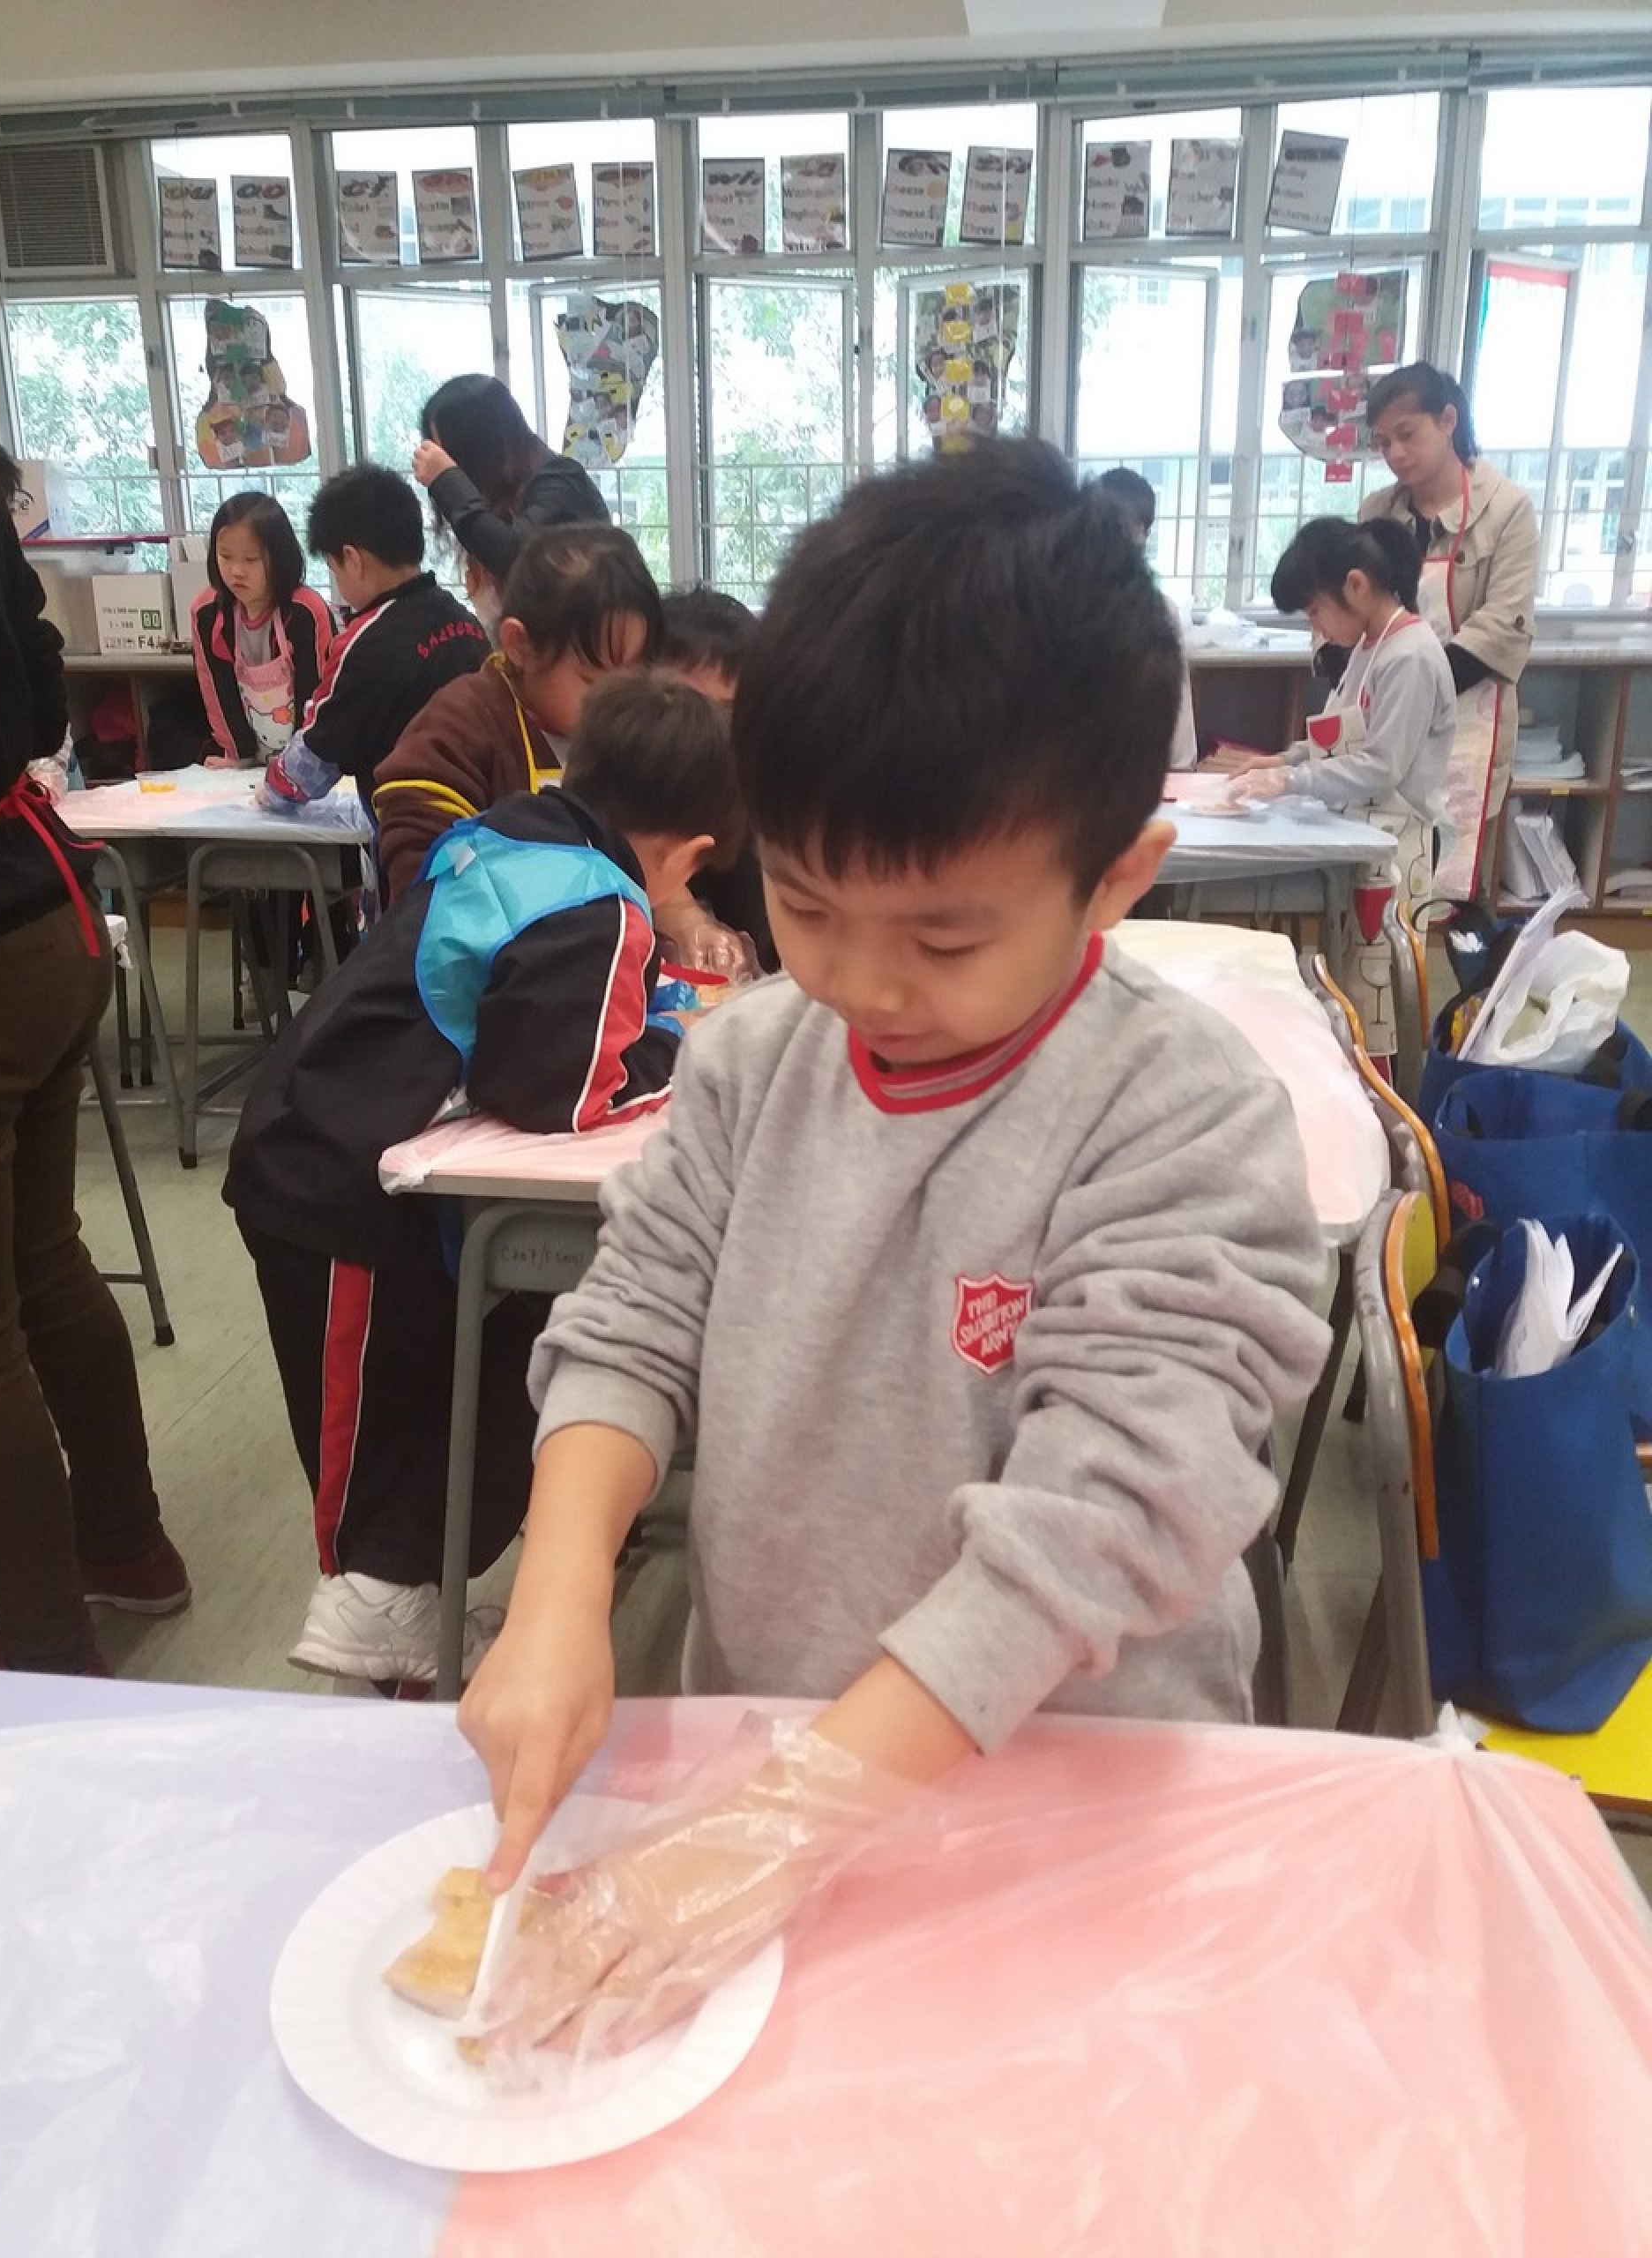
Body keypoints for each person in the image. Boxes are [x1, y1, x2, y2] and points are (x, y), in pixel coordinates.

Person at [454, 441, 1332, 2059]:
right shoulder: (750, 1063)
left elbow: (1101, 1526)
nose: (861, 982)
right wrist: (560, 1593)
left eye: (943, 934)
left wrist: (782, 1824)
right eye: (806, 904)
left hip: (1072, 1803)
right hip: (779, 1745)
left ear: (1115, 880)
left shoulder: (1179, 1115)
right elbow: (631, 1322)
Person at [223, 670, 742, 1693]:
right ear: (689, 855)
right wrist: (685, 1046)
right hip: (336, 1174)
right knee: (370, 1425)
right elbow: (563, 1089)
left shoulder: (513, 835)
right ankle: (373, 1610)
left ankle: (403, 1601)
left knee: (420, 1392)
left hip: (329, 1135)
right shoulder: (602, 904)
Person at [0, 430, 187, 1678]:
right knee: (44, 1259)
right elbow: (42, 689)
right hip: (40, 916)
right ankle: (125, 1545)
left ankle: (48, 1639)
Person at [1219, 517, 1454, 1064]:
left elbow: (1381, 766)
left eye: (1315, 611)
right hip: (1362, 838)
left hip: (1398, 845)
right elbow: (1342, 735)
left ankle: (1386, 1102)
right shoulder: (1372, 646)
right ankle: (1359, 1082)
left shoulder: (1411, 656)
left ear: (1356, 584)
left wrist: (1291, 780)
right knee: (1353, 990)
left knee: (1378, 998)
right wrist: (1284, 759)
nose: (1317, 626)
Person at [370, 522, 662, 903]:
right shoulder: (464, 723)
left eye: (633, 680)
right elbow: (426, 875)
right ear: (520, 645)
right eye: (593, 681)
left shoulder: (634, 730)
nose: (617, 703)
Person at [1359, 362, 1538, 894]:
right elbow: (1352, 597)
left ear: (1448, 420)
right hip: (1387, 711)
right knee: (1383, 874)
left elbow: (1505, 622)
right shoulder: (1378, 511)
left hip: (1467, 715)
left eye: (1406, 435)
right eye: (1383, 443)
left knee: (1453, 878)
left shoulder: (1506, 509)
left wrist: (1423, 680)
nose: (1395, 454)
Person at [255, 466, 488, 868]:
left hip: (412, 841)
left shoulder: (364, 643)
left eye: (334, 568)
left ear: (352, 559)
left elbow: (312, 762)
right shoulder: (466, 624)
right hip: (485, 828)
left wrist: (271, 792)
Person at [653, 586, 777, 973]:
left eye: (724, 712)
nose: (701, 731)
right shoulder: (609, 791)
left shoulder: (761, 807)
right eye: (682, 705)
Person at [411, 373, 610, 608]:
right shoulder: (508, 499)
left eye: (447, 454)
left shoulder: (560, 480)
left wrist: (447, 481)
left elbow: (518, 558)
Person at [190, 490, 334, 769]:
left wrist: (302, 765)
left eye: (251, 559)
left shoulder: (305, 611)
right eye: (225, 556)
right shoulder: (207, 612)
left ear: (279, 557)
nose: (236, 571)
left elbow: (319, 694)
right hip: (246, 762)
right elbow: (217, 691)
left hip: (310, 761)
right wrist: (237, 757)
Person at [1096, 467, 1196, 770]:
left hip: (1147, 769)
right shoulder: (1064, 604)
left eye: (1132, 530)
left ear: (1143, 534)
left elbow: (1177, 706)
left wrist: (1181, 768)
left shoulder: (1160, 610)